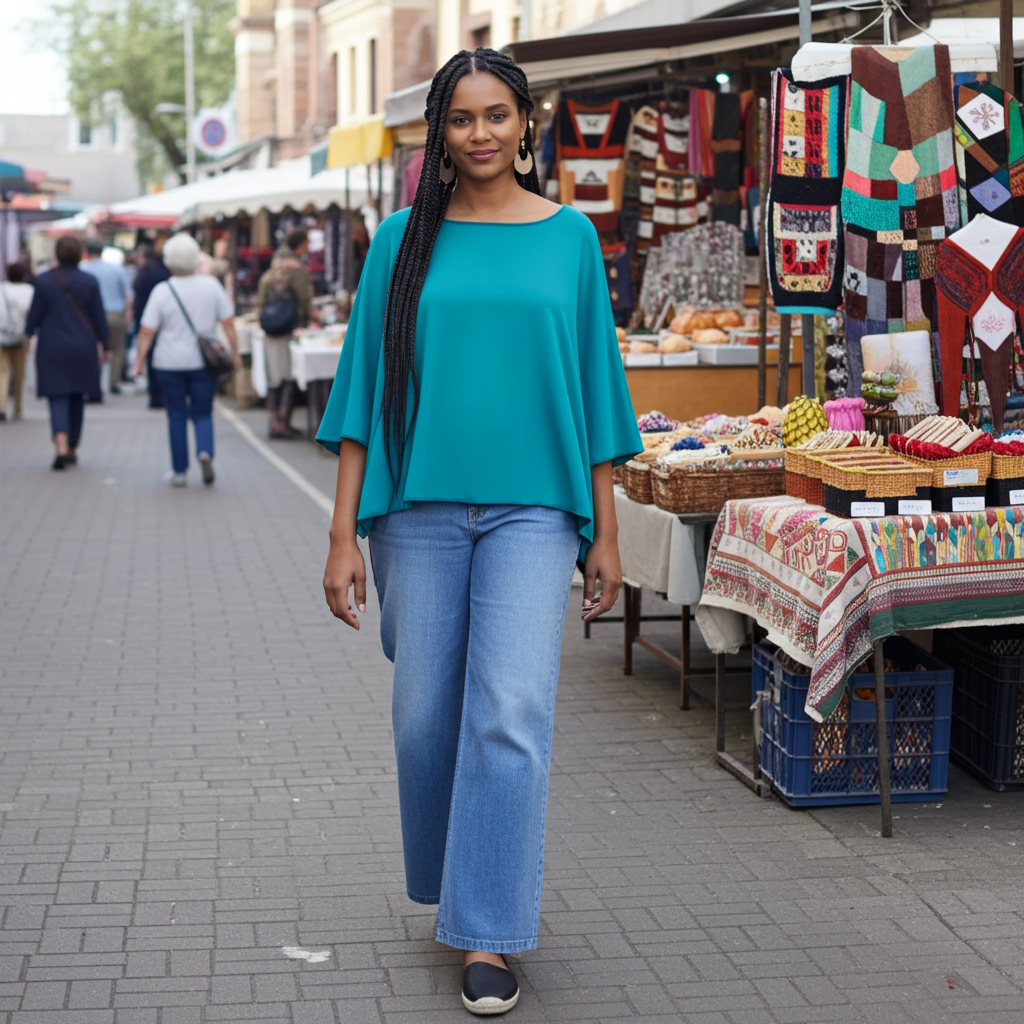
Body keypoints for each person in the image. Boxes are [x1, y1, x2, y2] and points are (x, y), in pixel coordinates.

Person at [317, 48, 642, 1016]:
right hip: (415, 510)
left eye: (496, 115)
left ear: (526, 123)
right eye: (460, 119)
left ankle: (487, 930)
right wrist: (340, 534)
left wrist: (606, 531)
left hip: (533, 512)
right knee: (424, 716)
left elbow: (595, 391)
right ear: (438, 133)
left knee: (508, 713)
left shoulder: (570, 240)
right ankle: (452, 880)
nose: (480, 133)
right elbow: (359, 397)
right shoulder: (396, 246)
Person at [133, 233, 240, 487]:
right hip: (204, 361)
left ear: (169, 261)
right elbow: (228, 324)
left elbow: (147, 331)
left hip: (168, 362)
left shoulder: (162, 290)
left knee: (176, 414)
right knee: (203, 412)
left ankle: (179, 471)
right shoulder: (211, 285)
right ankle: (205, 451)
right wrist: (235, 353)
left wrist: (138, 363)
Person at [24, 236, 110, 470]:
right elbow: (98, 316)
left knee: (57, 396)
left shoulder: (43, 281)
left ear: (57, 254)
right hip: (83, 346)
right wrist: (107, 345)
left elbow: (34, 316)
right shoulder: (89, 281)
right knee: (77, 397)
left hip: (52, 345)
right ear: (80, 254)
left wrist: (27, 335)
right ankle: (72, 446)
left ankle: (60, 442)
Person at [256, 227, 316, 439]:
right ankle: (283, 423)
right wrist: (314, 318)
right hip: (290, 328)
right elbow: (305, 299)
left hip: (271, 328)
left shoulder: (273, 266)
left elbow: (261, 299)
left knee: (274, 377)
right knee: (289, 376)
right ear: (300, 245)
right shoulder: (296, 268)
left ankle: (275, 423)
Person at [80, 239, 133, 393]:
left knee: (93, 348)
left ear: (87, 253)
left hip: (90, 316)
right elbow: (128, 294)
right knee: (118, 348)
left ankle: (94, 383)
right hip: (115, 314)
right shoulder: (116, 269)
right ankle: (114, 382)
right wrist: (127, 313)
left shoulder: (83, 270)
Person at [133, 237, 171, 409]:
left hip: (147, 319)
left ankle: (154, 395)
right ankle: (163, 394)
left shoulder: (145, 273)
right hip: (166, 321)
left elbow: (138, 301)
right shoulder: (166, 273)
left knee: (151, 357)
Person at [0, 262, 34, 421]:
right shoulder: (29, 291)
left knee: (2, 373)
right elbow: (31, 315)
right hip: (21, 337)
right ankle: (18, 409)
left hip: (1, 337)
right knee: (19, 375)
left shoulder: (1, 289)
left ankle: (1, 407)